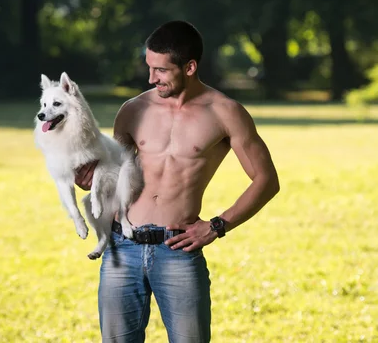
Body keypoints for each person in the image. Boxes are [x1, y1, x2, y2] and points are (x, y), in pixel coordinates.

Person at [75, 20, 280, 342]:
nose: (151, 78)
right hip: (122, 248)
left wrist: (217, 225)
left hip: (177, 250)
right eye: (149, 68)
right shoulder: (133, 110)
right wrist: (91, 177)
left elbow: (266, 179)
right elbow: (118, 175)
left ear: (189, 67)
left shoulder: (225, 112)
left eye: (161, 70)